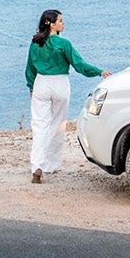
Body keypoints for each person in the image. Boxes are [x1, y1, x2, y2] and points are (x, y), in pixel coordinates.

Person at [25, 9, 109, 184]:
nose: (64, 23)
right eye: (61, 20)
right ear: (53, 24)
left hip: (41, 83)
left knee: (39, 126)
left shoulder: (35, 43)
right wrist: (99, 72)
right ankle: (50, 165)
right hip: (60, 84)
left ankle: (37, 166)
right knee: (57, 125)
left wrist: (31, 86)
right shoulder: (64, 44)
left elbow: (30, 69)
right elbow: (79, 66)